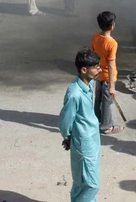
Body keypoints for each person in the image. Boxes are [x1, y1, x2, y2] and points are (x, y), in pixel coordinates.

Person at [59, 48, 102, 202]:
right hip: (83, 143)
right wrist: (67, 137)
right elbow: (65, 121)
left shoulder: (89, 84)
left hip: (92, 139)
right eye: (96, 67)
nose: (99, 69)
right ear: (84, 70)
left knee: (84, 181)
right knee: (90, 184)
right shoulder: (74, 94)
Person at [90, 11, 124, 135]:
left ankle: (95, 121)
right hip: (107, 77)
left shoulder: (95, 36)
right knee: (107, 102)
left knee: (98, 99)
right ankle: (107, 127)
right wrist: (112, 86)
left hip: (98, 75)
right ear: (112, 26)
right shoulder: (112, 43)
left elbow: (93, 55)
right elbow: (110, 65)